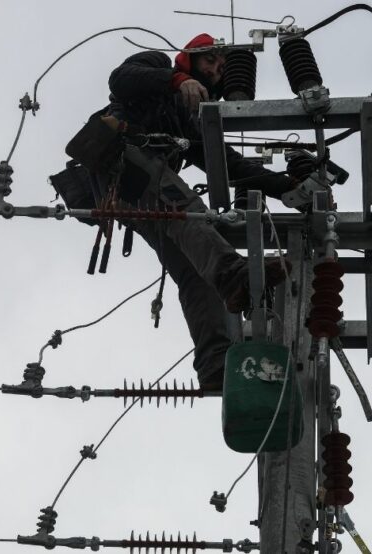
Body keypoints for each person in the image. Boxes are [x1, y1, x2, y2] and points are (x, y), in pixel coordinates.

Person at [57, 34, 294, 390]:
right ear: (191, 56)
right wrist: (177, 79)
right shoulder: (157, 66)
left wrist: (286, 186)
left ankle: (214, 363)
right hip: (122, 162)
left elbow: (228, 166)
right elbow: (120, 79)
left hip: (136, 193)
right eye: (210, 60)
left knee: (192, 266)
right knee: (187, 211)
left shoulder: (188, 122)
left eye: (222, 67)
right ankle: (232, 274)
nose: (216, 69)